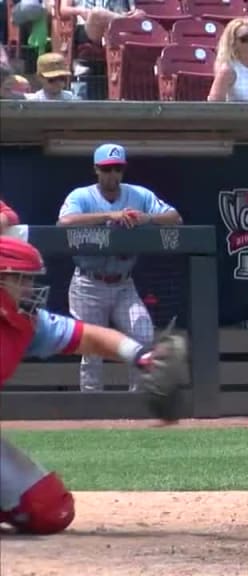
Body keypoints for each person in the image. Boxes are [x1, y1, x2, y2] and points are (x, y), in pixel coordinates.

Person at [0, 233, 165, 534]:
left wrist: (141, 356)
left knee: (51, 510)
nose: (30, 289)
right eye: (21, 279)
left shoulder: (26, 322)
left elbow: (87, 336)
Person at [57, 143, 182, 391]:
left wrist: (149, 218)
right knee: (92, 350)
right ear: (96, 169)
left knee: (144, 335)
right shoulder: (82, 196)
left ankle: (137, 404)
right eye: (106, 169)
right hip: (88, 284)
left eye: (117, 169)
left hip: (124, 283)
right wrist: (108, 217)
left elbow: (175, 218)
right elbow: (65, 222)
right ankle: (92, 414)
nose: (112, 174)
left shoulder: (138, 195)